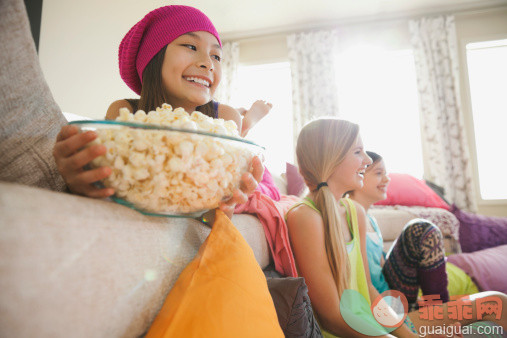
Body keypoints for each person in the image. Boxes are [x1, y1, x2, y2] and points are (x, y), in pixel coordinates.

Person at [285, 118, 507, 337]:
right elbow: (332, 318)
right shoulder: (306, 217)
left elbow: (369, 291)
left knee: (497, 303)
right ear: (331, 158)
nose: (365, 160)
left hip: (377, 322)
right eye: (358, 152)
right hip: (351, 332)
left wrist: (407, 335)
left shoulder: (355, 212)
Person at [52, 5, 266, 217]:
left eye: (216, 56)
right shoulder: (125, 111)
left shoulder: (227, 118)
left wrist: (227, 204)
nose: (208, 64)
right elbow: (116, 188)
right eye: (191, 46)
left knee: (263, 187)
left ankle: (251, 121)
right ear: (154, 57)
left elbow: (215, 213)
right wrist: (83, 181)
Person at [347, 151, 452, 309]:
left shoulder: (371, 220)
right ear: (359, 175)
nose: (387, 179)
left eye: (386, 173)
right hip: (376, 302)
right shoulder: (347, 214)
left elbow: (383, 267)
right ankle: (440, 310)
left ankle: (436, 307)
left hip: (390, 293)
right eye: (378, 173)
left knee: (423, 231)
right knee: (421, 230)